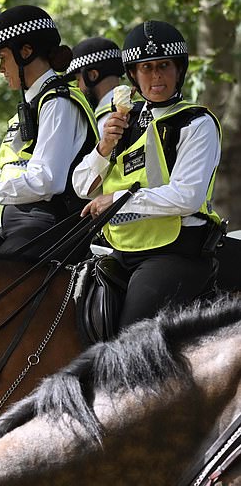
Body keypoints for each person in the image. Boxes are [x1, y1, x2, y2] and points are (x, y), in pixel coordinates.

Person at [73, 20, 222, 329]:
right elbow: (81, 186)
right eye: (147, 67)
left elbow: (188, 196)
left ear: (179, 70)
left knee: (130, 338)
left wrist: (116, 200)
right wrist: (104, 147)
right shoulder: (123, 122)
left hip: (176, 252)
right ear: (133, 75)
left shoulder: (197, 124)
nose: (156, 76)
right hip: (120, 251)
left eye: (164, 66)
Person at [0, 5, 99, 258]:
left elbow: (46, 181)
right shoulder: (32, 106)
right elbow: (12, 181)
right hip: (21, 225)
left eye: (3, 58)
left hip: (49, 225)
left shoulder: (57, 103)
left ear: (26, 52)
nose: (0, 69)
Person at [67, 37, 126, 134]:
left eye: (78, 80)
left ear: (92, 76)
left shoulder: (107, 122)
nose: (77, 87)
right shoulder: (134, 109)